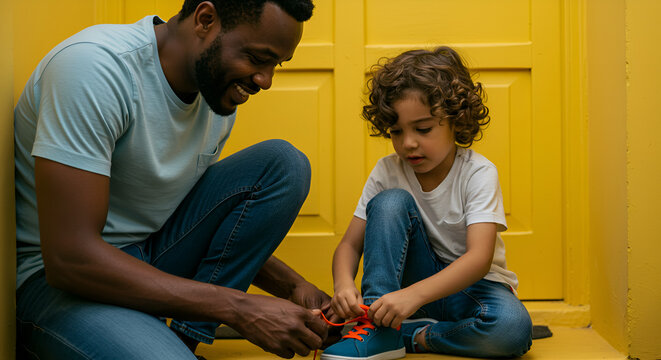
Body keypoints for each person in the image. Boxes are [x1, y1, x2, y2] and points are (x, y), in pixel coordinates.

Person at [14, 1, 341, 359]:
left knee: (283, 164)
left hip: (147, 255)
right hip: (59, 285)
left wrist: (293, 287)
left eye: (275, 65)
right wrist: (240, 309)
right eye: (257, 58)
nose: (265, 80)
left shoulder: (214, 91)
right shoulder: (95, 68)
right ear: (205, 20)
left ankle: (184, 345)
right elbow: (70, 260)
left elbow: (197, 218)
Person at [321, 47, 533, 360]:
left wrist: (412, 297)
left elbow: (479, 258)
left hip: (472, 290)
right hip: (407, 293)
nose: (408, 143)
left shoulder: (478, 172)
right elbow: (349, 247)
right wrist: (342, 286)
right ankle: (377, 328)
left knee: (512, 329)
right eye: (396, 131)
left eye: (423, 129)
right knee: (390, 201)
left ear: (456, 120)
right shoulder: (387, 170)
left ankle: (415, 335)